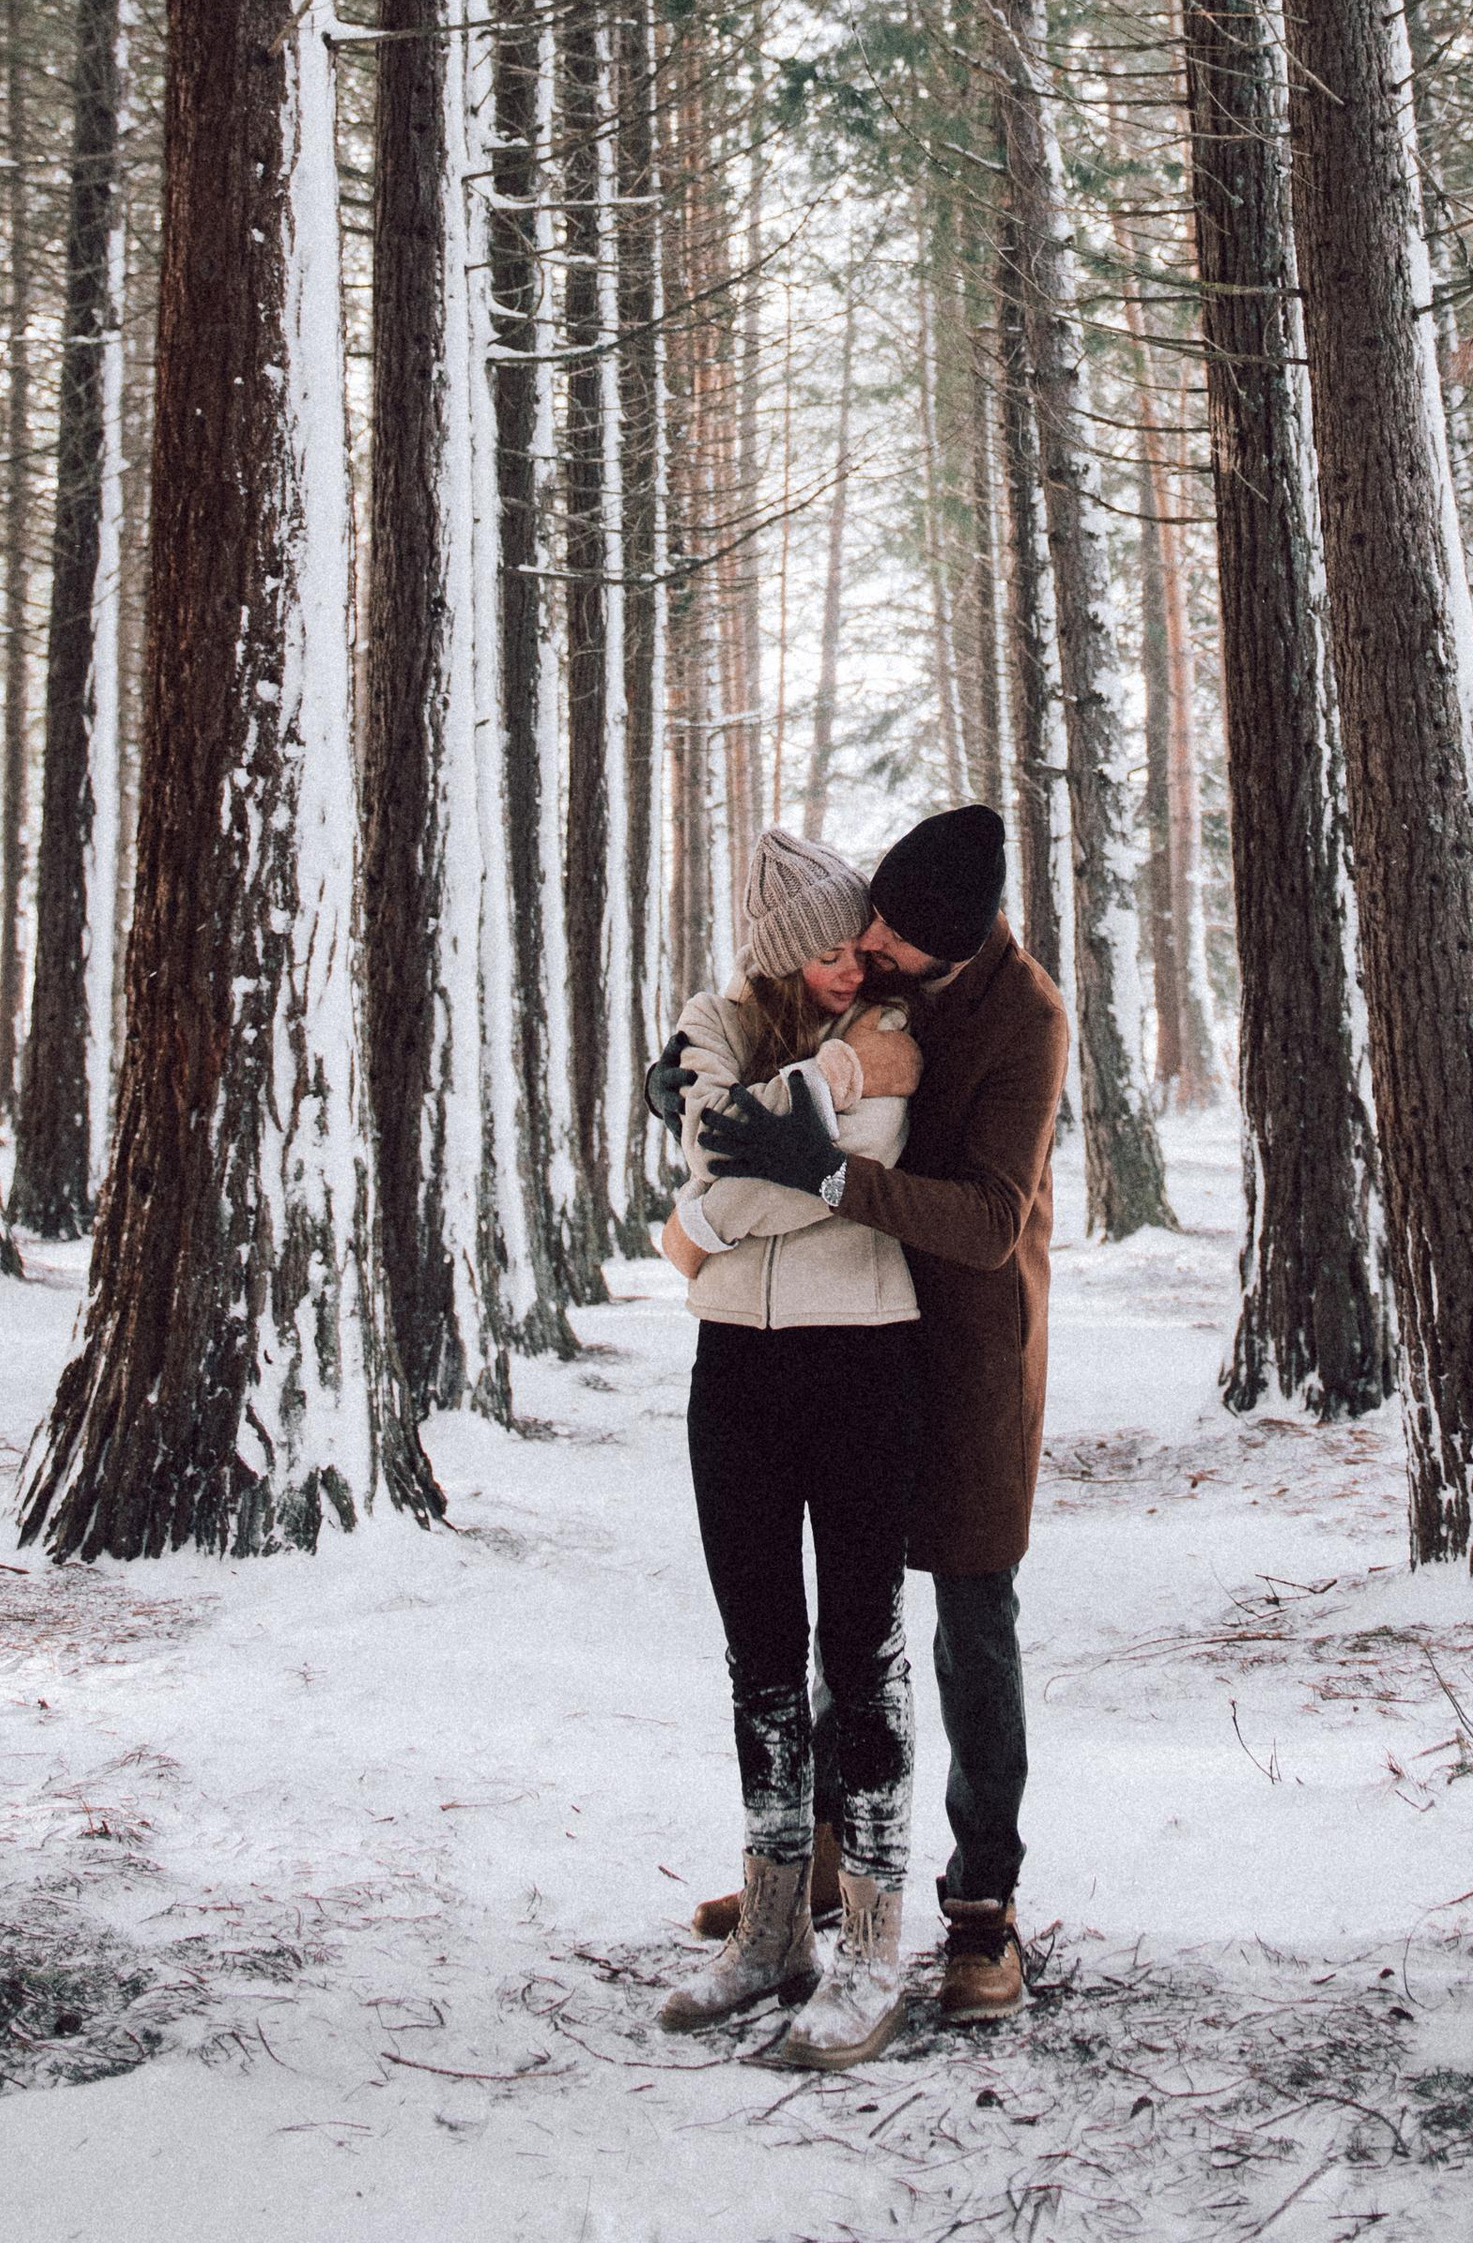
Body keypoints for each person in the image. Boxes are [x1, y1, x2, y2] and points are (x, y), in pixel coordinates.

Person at [659, 801, 1066, 2023]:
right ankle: (823, 1856)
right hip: (853, 1333)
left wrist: (781, 1180)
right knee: (851, 1614)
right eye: (864, 924)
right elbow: (735, 1101)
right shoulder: (875, 975)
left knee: (968, 1624)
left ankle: (981, 1905)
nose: (870, 946)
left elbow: (990, 1221)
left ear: (947, 946)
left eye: (891, 938)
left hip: (968, 1346)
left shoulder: (1023, 1021)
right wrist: (704, 1120)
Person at [656, 826, 927, 2069]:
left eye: (851, 945)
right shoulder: (713, 1021)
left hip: (865, 1353)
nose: (845, 970)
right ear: (774, 959)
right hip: (736, 1372)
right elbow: (717, 1139)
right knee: (757, 1648)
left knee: (860, 1648)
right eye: (818, 954)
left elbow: (841, 1168)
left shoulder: (896, 1025)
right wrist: (816, 1098)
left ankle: (873, 1942)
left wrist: (703, 1220)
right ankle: (772, 1930)